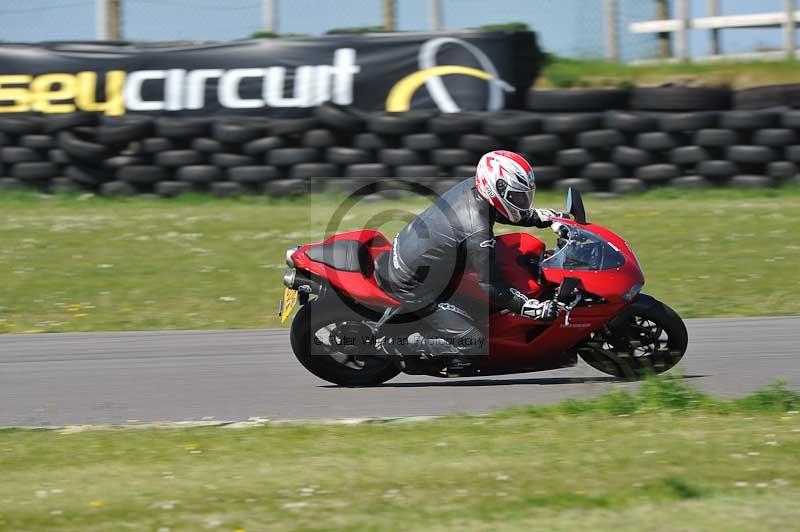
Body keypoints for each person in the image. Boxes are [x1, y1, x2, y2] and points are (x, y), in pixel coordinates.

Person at [375, 150, 562, 370]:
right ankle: (392, 344)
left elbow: (501, 209)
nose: (522, 202)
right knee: (474, 343)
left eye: (525, 196)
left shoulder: (475, 188)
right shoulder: (476, 231)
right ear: (495, 188)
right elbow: (492, 286)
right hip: (416, 285)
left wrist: (545, 218)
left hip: (421, 256)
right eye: (516, 197)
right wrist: (531, 308)